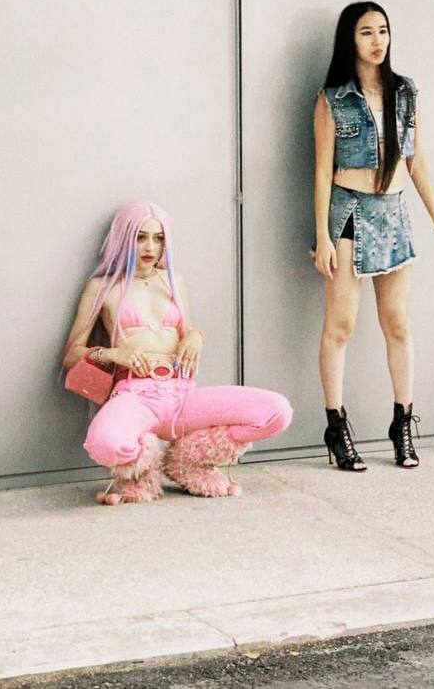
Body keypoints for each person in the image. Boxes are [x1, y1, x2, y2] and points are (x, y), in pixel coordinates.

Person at [313, 1, 434, 471]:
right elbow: (322, 171)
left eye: (383, 31)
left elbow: (416, 160)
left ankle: (402, 424)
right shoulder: (333, 99)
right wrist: (322, 237)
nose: (377, 41)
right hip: (350, 214)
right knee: (341, 326)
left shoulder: (405, 92)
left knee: (397, 325)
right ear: (350, 40)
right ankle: (336, 427)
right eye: (366, 32)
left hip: (394, 215)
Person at [63, 202, 292, 503]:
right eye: (141, 237)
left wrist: (196, 336)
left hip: (182, 393)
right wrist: (113, 354)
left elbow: (187, 331)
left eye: (158, 238)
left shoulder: (174, 281)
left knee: (277, 411)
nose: (150, 247)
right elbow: (72, 354)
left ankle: (188, 460)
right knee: (104, 443)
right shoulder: (102, 287)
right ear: (124, 238)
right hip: (135, 394)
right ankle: (143, 465)